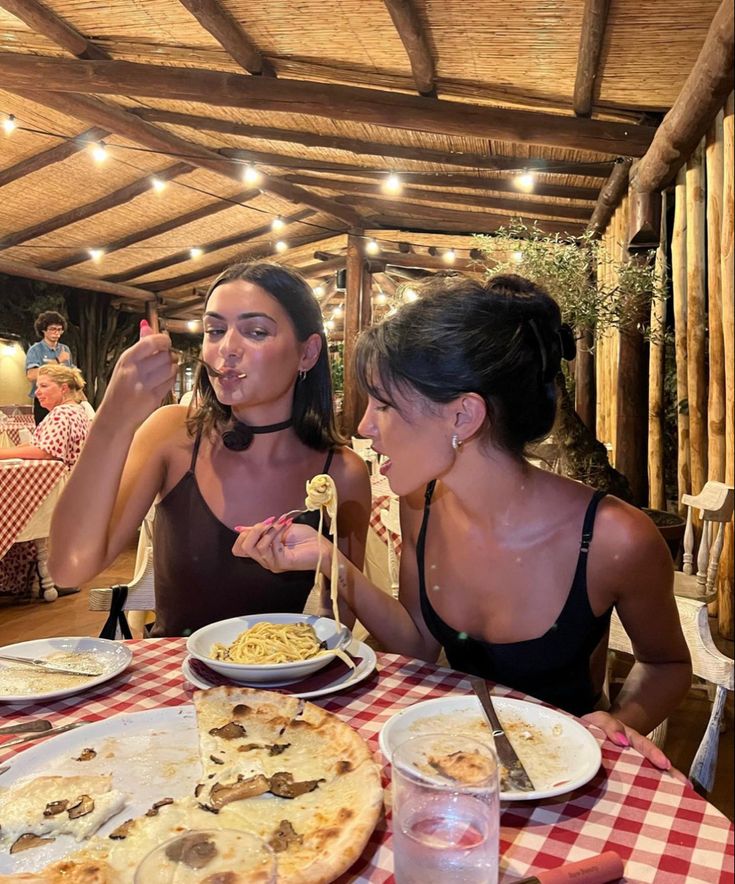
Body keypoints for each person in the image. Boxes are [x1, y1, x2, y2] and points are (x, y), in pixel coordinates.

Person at [234, 273, 692, 774]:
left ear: (463, 417)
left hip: (564, 777)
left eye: (383, 405)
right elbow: (417, 646)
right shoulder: (418, 504)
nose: (363, 427)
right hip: (458, 760)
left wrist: (621, 718)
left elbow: (667, 665)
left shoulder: (615, 538)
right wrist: (329, 560)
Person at [49, 262, 371, 637]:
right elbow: (68, 569)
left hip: (278, 685)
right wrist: (113, 421)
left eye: (255, 331)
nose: (227, 348)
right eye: (215, 330)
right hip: (174, 685)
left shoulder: (342, 472)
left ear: (308, 352)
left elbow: (342, 617)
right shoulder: (173, 434)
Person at [0, 364, 91, 469]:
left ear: (63, 388)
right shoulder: (78, 410)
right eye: (37, 387)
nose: (37, 392)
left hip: (65, 483)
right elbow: (39, 444)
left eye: (43, 386)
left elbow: (45, 452)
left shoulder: (62, 413)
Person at [25, 311, 75, 425]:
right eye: (53, 329)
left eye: (59, 329)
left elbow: (70, 374)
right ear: (43, 330)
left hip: (64, 400)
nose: (57, 333)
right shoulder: (35, 350)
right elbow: (31, 375)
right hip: (44, 400)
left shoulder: (65, 349)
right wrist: (58, 361)